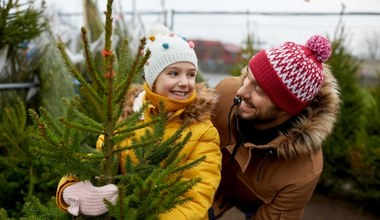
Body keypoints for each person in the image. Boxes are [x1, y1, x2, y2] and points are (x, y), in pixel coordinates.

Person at [55, 24, 222, 219]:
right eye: (174, 73)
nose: (184, 82)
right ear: (153, 79)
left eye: (190, 74)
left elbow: (196, 198)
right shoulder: (129, 117)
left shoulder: (202, 131)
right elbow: (98, 158)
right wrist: (69, 187)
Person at [210, 35, 341, 219]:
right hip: (210, 185)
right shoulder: (224, 93)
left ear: (286, 110)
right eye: (248, 77)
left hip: (257, 205)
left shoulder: (304, 170)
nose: (241, 91)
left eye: (259, 90)